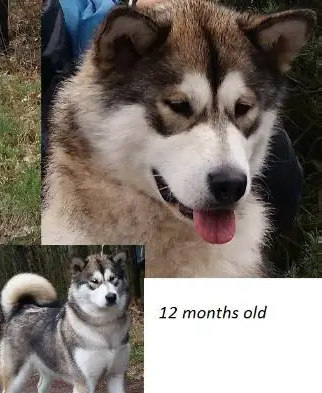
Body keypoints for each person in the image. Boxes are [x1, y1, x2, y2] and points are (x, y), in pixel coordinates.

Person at [41, 0, 304, 255]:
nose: (228, 166)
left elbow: (284, 191)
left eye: (243, 108)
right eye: (179, 106)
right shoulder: (66, 15)